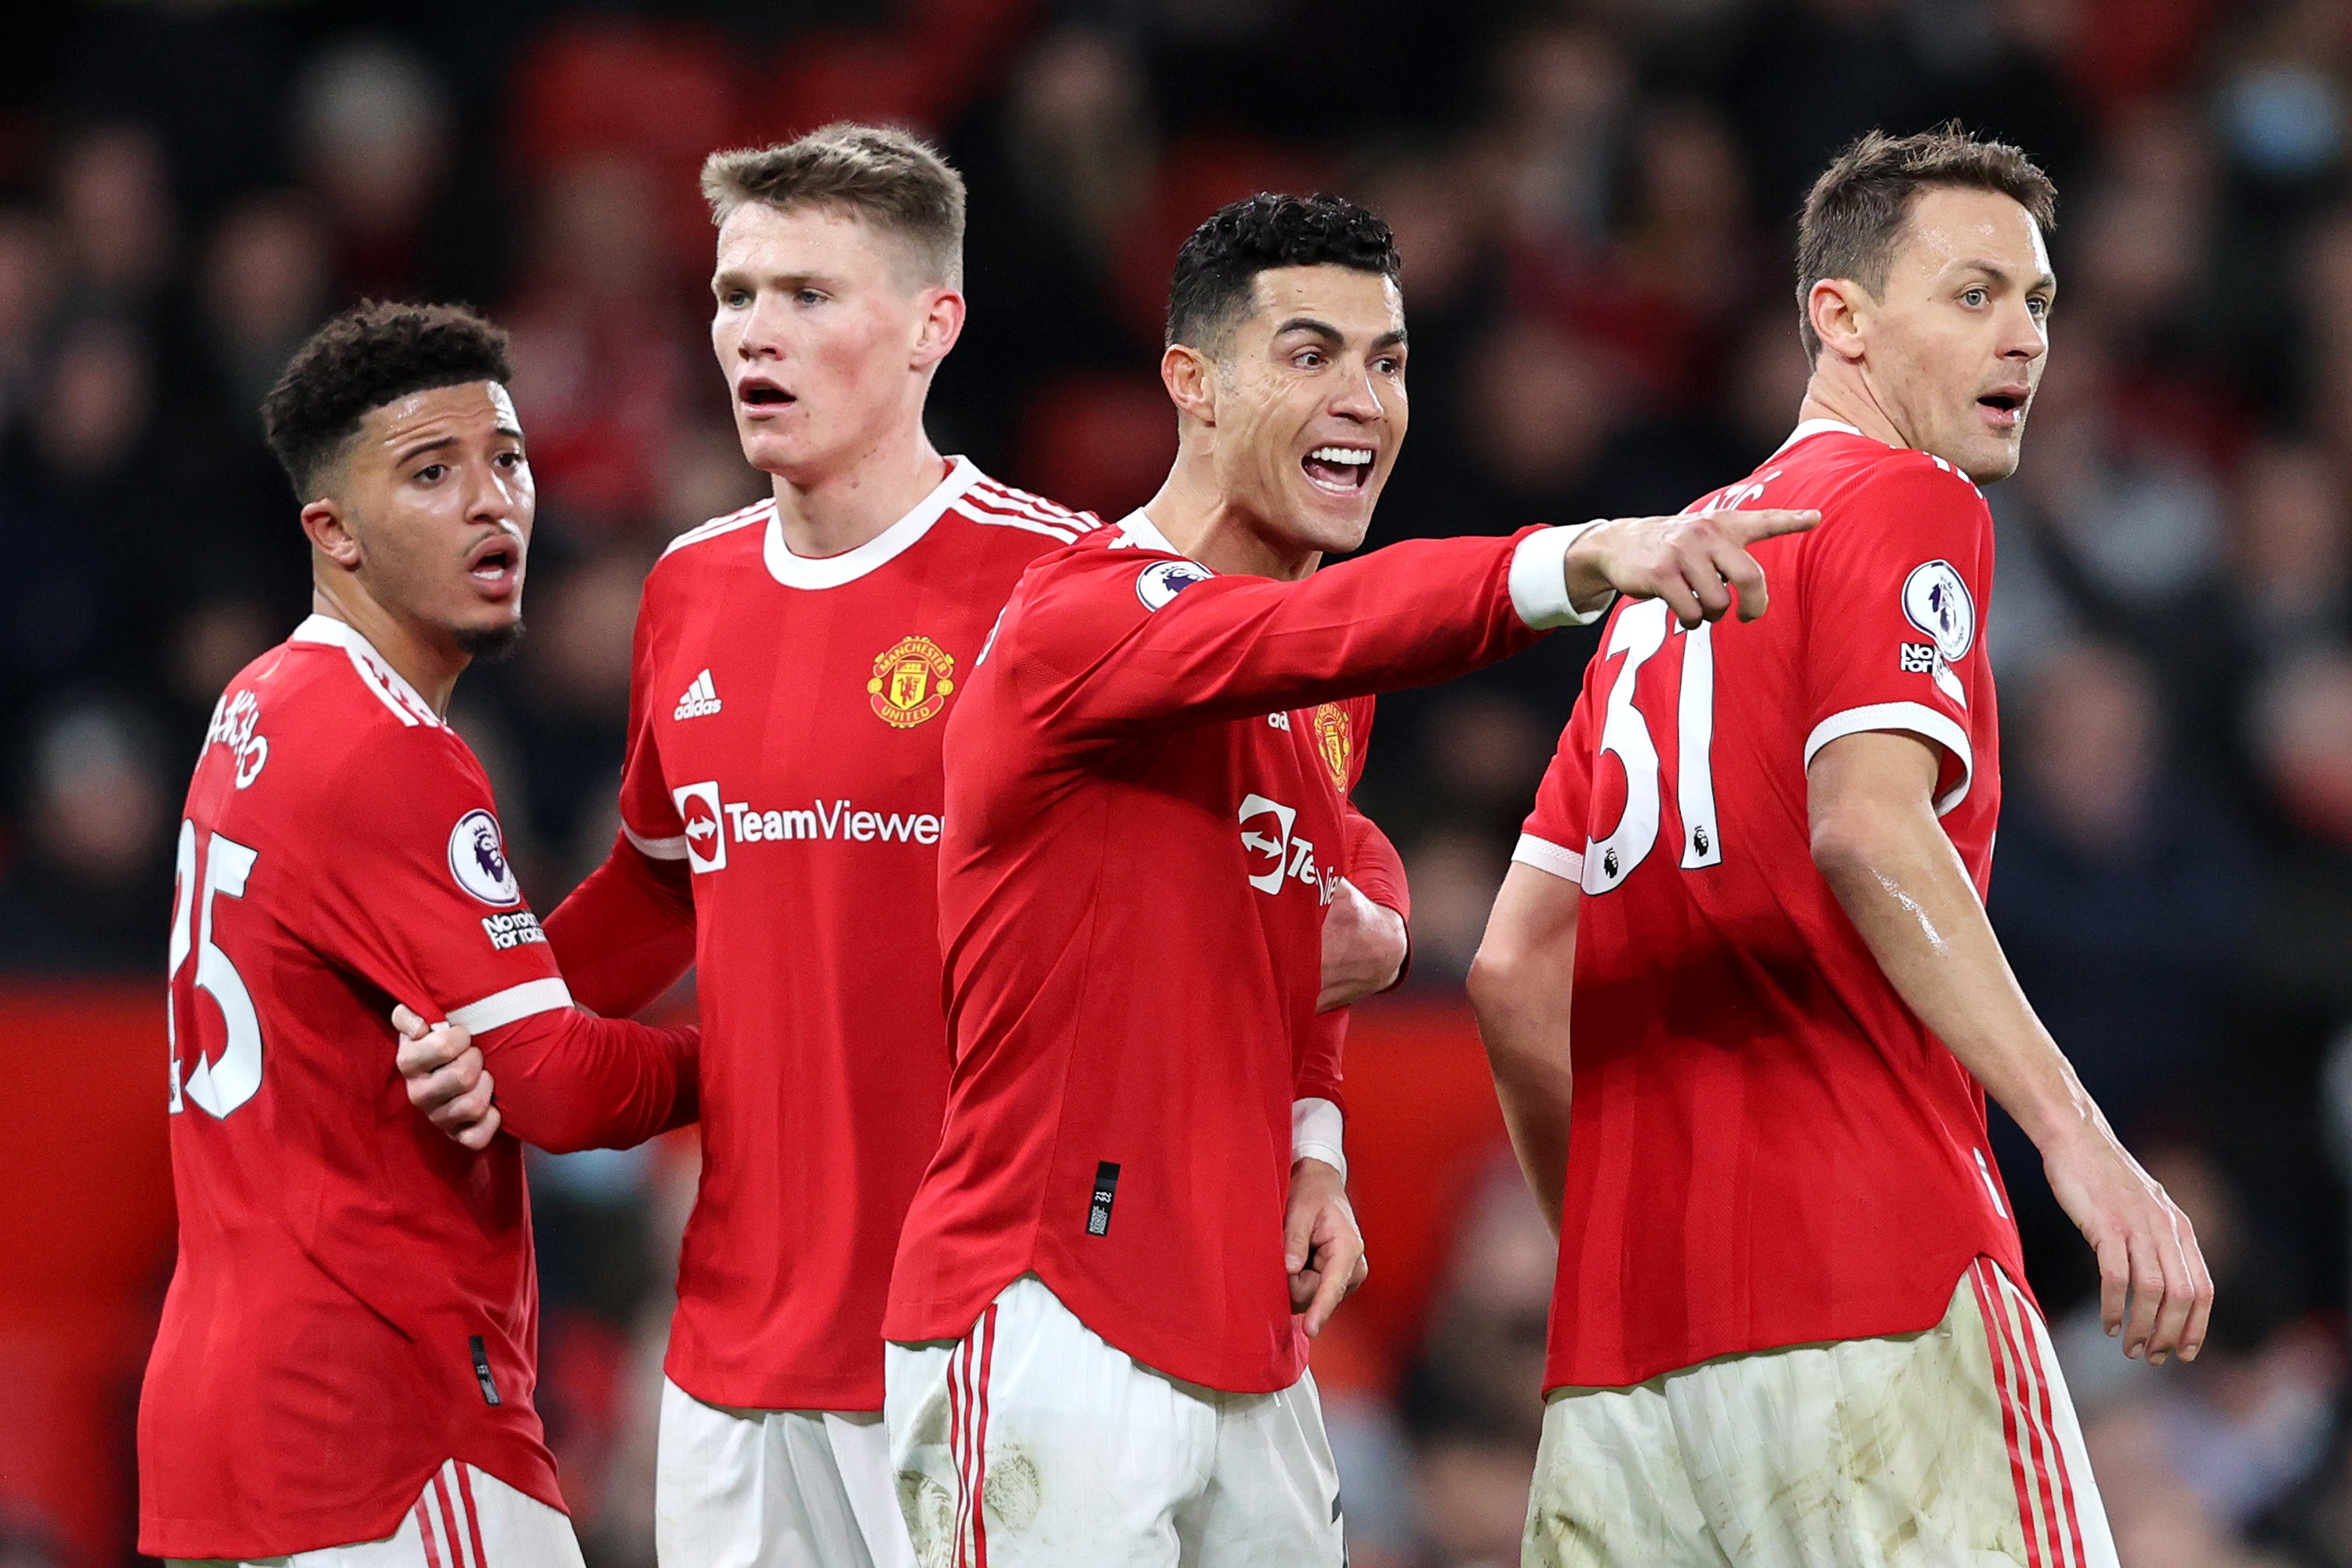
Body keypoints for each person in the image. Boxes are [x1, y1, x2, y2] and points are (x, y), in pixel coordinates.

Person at [394, 126, 1414, 1568]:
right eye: (737, 293)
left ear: (935, 325)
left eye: (811, 296)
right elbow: (658, 883)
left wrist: (1315, 1125)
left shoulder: (1060, 588)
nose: (757, 332)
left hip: (992, 1342)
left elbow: (1323, 836)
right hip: (737, 1363)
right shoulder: (689, 588)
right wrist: (500, 1013)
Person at [880, 191, 1817, 1567]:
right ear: (1192, 384)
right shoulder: (1075, 620)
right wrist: (1582, 556)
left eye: (1386, 362)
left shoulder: (1320, 690)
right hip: (1045, 1309)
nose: (1363, 399)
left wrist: (1315, 1144)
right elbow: (1328, 632)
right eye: (1309, 354)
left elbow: (1322, 860)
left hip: (1249, 1330)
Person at [1468, 127, 2213, 1568]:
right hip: (1876, 1277)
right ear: (1841, 317)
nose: (2024, 340)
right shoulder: (1905, 499)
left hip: (1631, 1365)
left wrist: (1615, 1257)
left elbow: (1510, 972)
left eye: (2041, 302)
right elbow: (1869, 830)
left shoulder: (1656, 580)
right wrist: (2083, 1142)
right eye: (1975, 293)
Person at [137, 302, 699, 1566]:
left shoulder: (270, 700)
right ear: (331, 532)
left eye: (506, 458)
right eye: (431, 475)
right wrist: (759, 1055)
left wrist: (678, 868)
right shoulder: (390, 753)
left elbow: (522, 1014)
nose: (492, 502)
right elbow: (552, 1083)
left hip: (231, 1414)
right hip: (381, 1420)